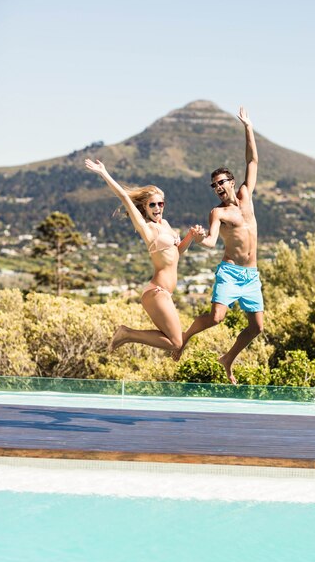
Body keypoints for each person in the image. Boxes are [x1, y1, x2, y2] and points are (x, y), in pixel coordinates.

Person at [173, 107, 264, 384]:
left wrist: (248, 127)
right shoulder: (218, 213)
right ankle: (184, 336)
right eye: (214, 185)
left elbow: (253, 160)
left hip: (251, 276)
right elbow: (212, 242)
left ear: (231, 182)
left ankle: (227, 359)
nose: (218, 188)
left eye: (221, 182)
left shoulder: (246, 195)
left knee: (257, 327)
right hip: (230, 271)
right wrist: (199, 238)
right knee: (216, 318)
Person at [85, 158, 205, 352]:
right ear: (145, 207)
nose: (157, 208)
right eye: (152, 205)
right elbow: (124, 196)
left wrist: (190, 236)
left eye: (161, 204)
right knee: (177, 343)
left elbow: (177, 252)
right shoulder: (147, 228)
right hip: (156, 292)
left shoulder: (165, 225)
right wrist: (104, 172)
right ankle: (127, 334)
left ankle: (129, 334)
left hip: (165, 293)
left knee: (176, 343)